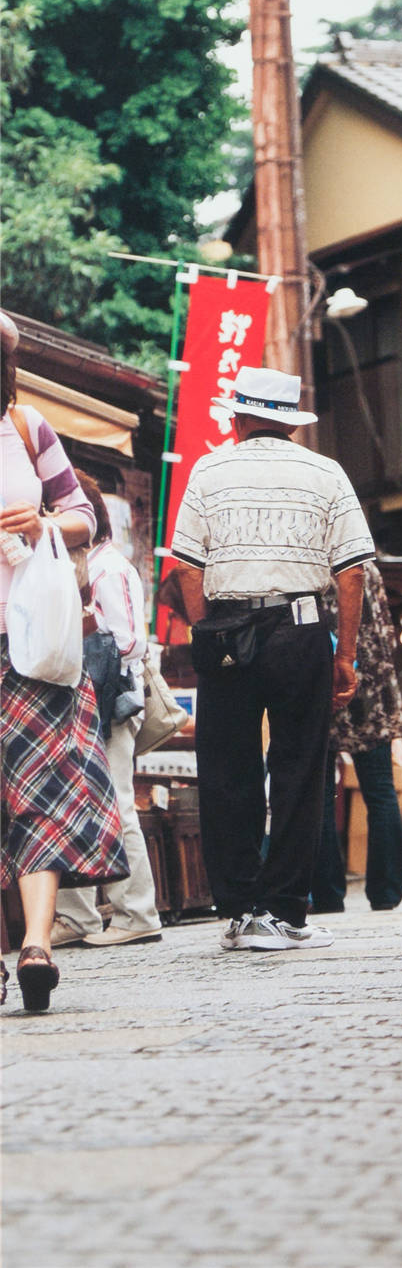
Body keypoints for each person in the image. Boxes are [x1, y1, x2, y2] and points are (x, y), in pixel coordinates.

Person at [171, 365, 374, 953]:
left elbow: (188, 564)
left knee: (227, 767)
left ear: (239, 416)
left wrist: (207, 630)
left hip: (229, 628)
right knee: (299, 768)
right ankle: (284, 912)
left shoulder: (209, 469)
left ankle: (237, 911)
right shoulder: (326, 472)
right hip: (301, 625)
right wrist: (348, 655)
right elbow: (352, 571)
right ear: (288, 422)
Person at [0, 312, 127, 1011]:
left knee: (40, 790)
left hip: (36, 645)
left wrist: (45, 522)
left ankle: (36, 946)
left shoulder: (26, 428)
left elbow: (82, 512)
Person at [52, 474, 162, 948]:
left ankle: (137, 912)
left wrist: (83, 627)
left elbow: (130, 641)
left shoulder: (107, 567)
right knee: (68, 807)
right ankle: (77, 918)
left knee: (116, 803)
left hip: (108, 699)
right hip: (78, 698)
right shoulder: (74, 565)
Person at [313, 563, 402, 914]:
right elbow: (386, 635)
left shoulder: (308, 567)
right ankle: (386, 892)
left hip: (320, 682)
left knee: (318, 794)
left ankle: (326, 893)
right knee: (381, 790)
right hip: (372, 687)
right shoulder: (367, 569)